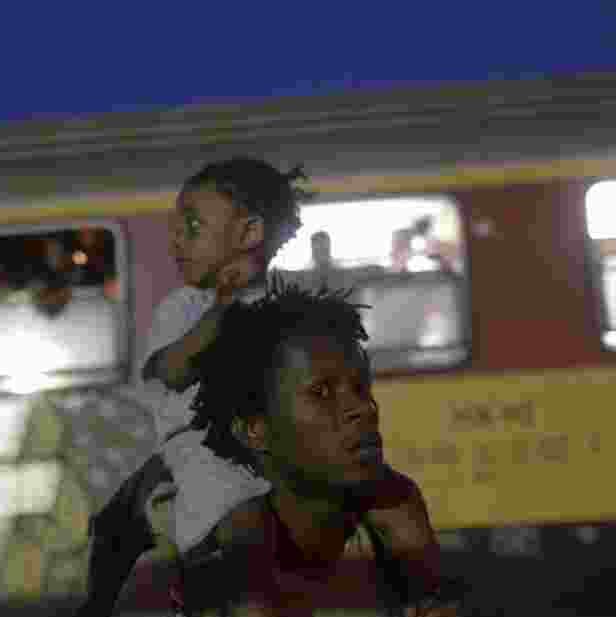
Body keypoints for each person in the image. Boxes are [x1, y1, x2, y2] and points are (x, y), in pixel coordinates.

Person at [77, 159, 445, 616]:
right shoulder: (186, 308)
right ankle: (206, 591)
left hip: (273, 441)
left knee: (396, 495)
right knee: (219, 514)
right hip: (205, 446)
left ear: (249, 233)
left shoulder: (284, 299)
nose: (175, 240)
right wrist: (219, 319)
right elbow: (166, 372)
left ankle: (420, 594)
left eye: (192, 227)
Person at [119, 277, 461, 616]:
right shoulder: (227, 543)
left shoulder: (394, 508)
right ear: (256, 430)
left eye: (361, 387)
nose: (364, 409)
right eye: (322, 393)